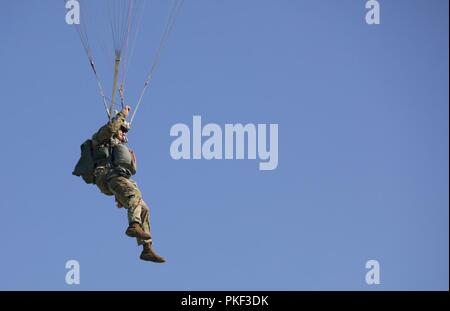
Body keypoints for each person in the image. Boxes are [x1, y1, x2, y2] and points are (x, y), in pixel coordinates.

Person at [90, 106, 165, 263]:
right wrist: (122, 114)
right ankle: (133, 225)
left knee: (144, 207)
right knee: (135, 195)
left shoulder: (117, 148)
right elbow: (111, 127)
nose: (123, 133)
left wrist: (119, 196)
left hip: (118, 179)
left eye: (125, 131)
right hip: (110, 177)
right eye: (122, 129)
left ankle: (147, 249)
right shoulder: (100, 138)